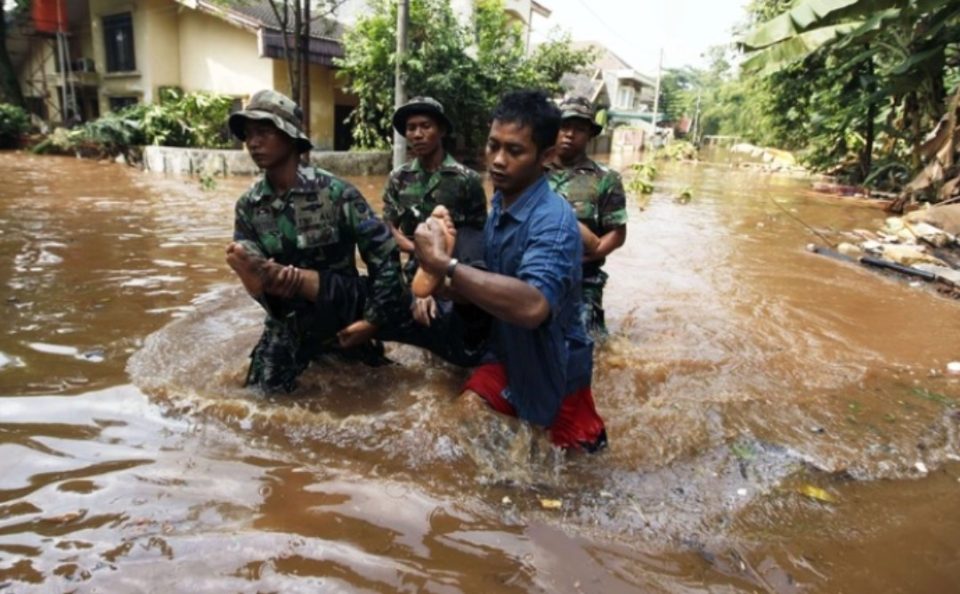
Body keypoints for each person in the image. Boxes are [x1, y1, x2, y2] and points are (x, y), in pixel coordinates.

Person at [413, 90, 607, 452]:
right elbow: (496, 283)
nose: (498, 161)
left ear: (546, 157)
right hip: (509, 352)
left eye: (514, 151)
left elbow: (533, 306)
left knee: (572, 474)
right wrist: (445, 286)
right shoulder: (502, 201)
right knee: (465, 415)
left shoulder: (553, 222)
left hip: (555, 370)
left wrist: (445, 265)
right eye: (493, 146)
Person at [224, 89, 410, 393]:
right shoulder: (250, 206)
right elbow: (256, 273)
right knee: (259, 399)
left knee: (379, 393)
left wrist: (373, 322)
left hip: (342, 315)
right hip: (288, 322)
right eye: (247, 135)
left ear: (290, 137)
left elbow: (385, 257)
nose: (253, 143)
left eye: (263, 132)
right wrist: (260, 276)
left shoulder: (336, 193)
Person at [546, 96, 628, 336]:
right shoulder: (531, 170)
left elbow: (618, 232)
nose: (569, 134)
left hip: (584, 278)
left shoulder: (605, 179)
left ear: (590, 135)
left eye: (579, 129)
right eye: (564, 126)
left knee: (587, 344)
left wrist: (595, 252)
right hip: (533, 272)